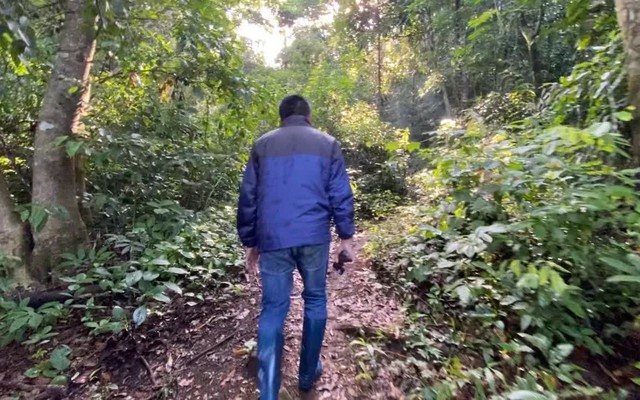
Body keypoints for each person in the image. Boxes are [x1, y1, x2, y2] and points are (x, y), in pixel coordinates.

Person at [237, 95, 356, 399]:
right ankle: (307, 374)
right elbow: (340, 193)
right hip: (314, 237)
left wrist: (250, 241)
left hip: (273, 239)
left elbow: (248, 196)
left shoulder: (263, 145)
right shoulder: (327, 144)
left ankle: (268, 392)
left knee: (273, 309)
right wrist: (345, 238)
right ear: (309, 115)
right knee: (315, 299)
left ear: (281, 117)